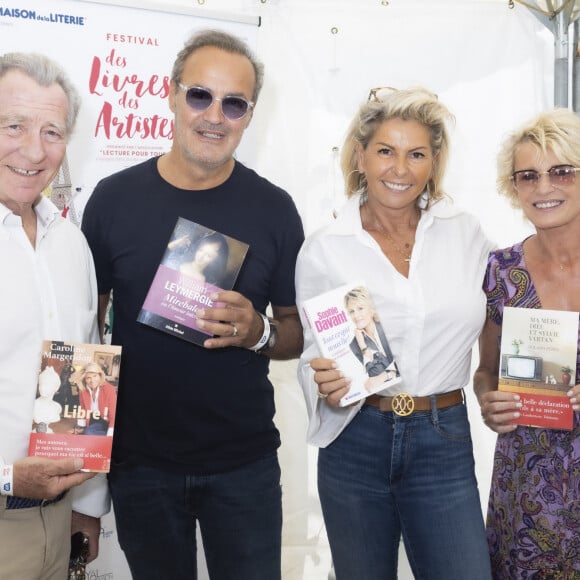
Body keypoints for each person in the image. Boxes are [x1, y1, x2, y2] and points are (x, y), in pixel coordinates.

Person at [81, 29, 304, 580]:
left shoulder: (275, 210)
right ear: (171, 93)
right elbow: (88, 333)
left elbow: (297, 332)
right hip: (140, 463)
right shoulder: (111, 200)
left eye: (234, 104)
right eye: (200, 95)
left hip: (243, 463)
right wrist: (86, 471)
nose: (214, 116)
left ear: (249, 116)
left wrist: (259, 334)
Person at [296, 86, 494, 579]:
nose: (400, 169)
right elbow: (311, 354)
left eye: (416, 154)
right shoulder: (326, 247)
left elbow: (514, 301)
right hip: (356, 438)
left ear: (433, 163)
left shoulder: (466, 234)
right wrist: (325, 384)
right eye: (386, 151)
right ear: (361, 157)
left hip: (442, 436)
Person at [0, 52, 109, 578]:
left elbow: (85, 375)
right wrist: (4, 478)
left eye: (52, 131)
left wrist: (89, 503)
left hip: (58, 518)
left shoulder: (72, 244)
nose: (33, 150)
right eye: (13, 125)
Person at [474, 108, 580, 579]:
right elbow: (486, 371)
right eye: (528, 175)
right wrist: (487, 401)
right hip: (531, 490)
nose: (544, 188)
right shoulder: (501, 272)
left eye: (562, 171)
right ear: (513, 187)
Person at [344, 286, 398, 392]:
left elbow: (404, 362)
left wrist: (384, 376)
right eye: (351, 311)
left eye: (360, 308)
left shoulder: (388, 325)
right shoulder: (354, 344)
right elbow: (372, 378)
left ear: (371, 308)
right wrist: (363, 346)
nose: (356, 315)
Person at [75, 362, 118, 436]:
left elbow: (113, 414)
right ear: (84, 379)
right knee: (83, 433)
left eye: (95, 376)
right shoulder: (83, 390)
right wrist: (81, 426)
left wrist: (110, 432)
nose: (92, 381)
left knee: (88, 433)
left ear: (100, 376)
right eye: (88, 378)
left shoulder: (109, 389)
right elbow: (83, 409)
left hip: (105, 420)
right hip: (91, 419)